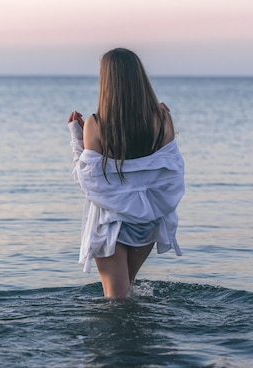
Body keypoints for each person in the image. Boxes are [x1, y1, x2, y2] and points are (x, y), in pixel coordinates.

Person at [67, 48, 185, 298]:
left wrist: (77, 138)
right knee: (127, 290)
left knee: (116, 300)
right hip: (148, 221)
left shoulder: (96, 124)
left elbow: (88, 182)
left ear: (108, 81)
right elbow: (170, 172)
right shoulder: (162, 118)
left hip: (111, 223)